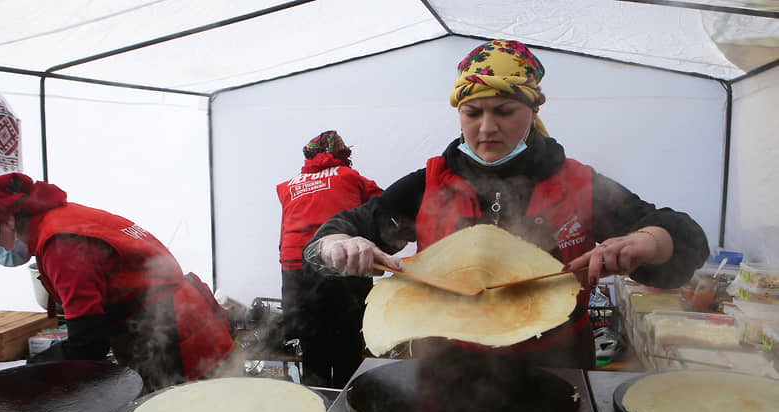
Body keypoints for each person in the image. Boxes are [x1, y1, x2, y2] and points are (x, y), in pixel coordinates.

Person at [303, 39, 709, 370]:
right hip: (445, 369)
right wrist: (338, 244)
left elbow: (683, 239)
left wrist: (649, 241)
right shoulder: (429, 184)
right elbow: (335, 234)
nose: (486, 127)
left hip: (556, 365)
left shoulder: (579, 184)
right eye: (472, 112)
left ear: (532, 110)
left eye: (505, 110)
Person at [0, 173, 235, 391]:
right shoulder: (61, 218)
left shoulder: (59, 244)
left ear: (6, 222)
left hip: (174, 336)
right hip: (184, 320)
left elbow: (89, 342)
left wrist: (31, 370)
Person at [277, 130, 383, 387]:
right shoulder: (350, 176)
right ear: (342, 153)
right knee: (348, 342)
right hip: (339, 263)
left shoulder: (288, 185)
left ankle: (316, 407)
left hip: (295, 271)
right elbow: (382, 204)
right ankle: (345, 406)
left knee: (312, 345)